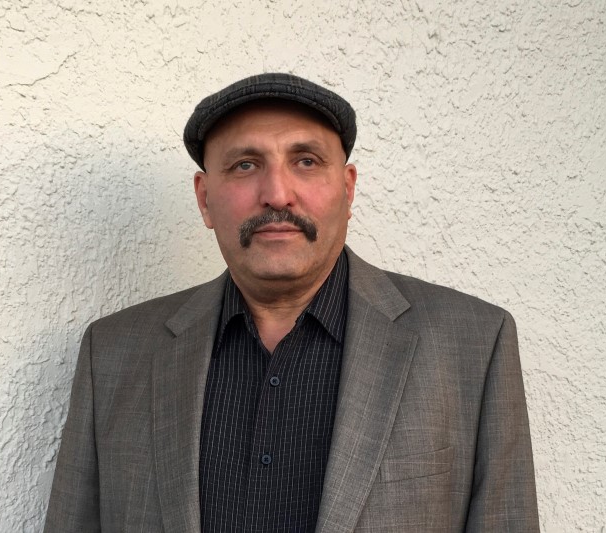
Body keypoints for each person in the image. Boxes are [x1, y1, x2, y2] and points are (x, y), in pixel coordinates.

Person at [44, 73, 539, 532]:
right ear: (204, 198)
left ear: (346, 189)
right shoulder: (111, 354)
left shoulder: (473, 344)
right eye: (245, 164)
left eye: (306, 161)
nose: (277, 193)